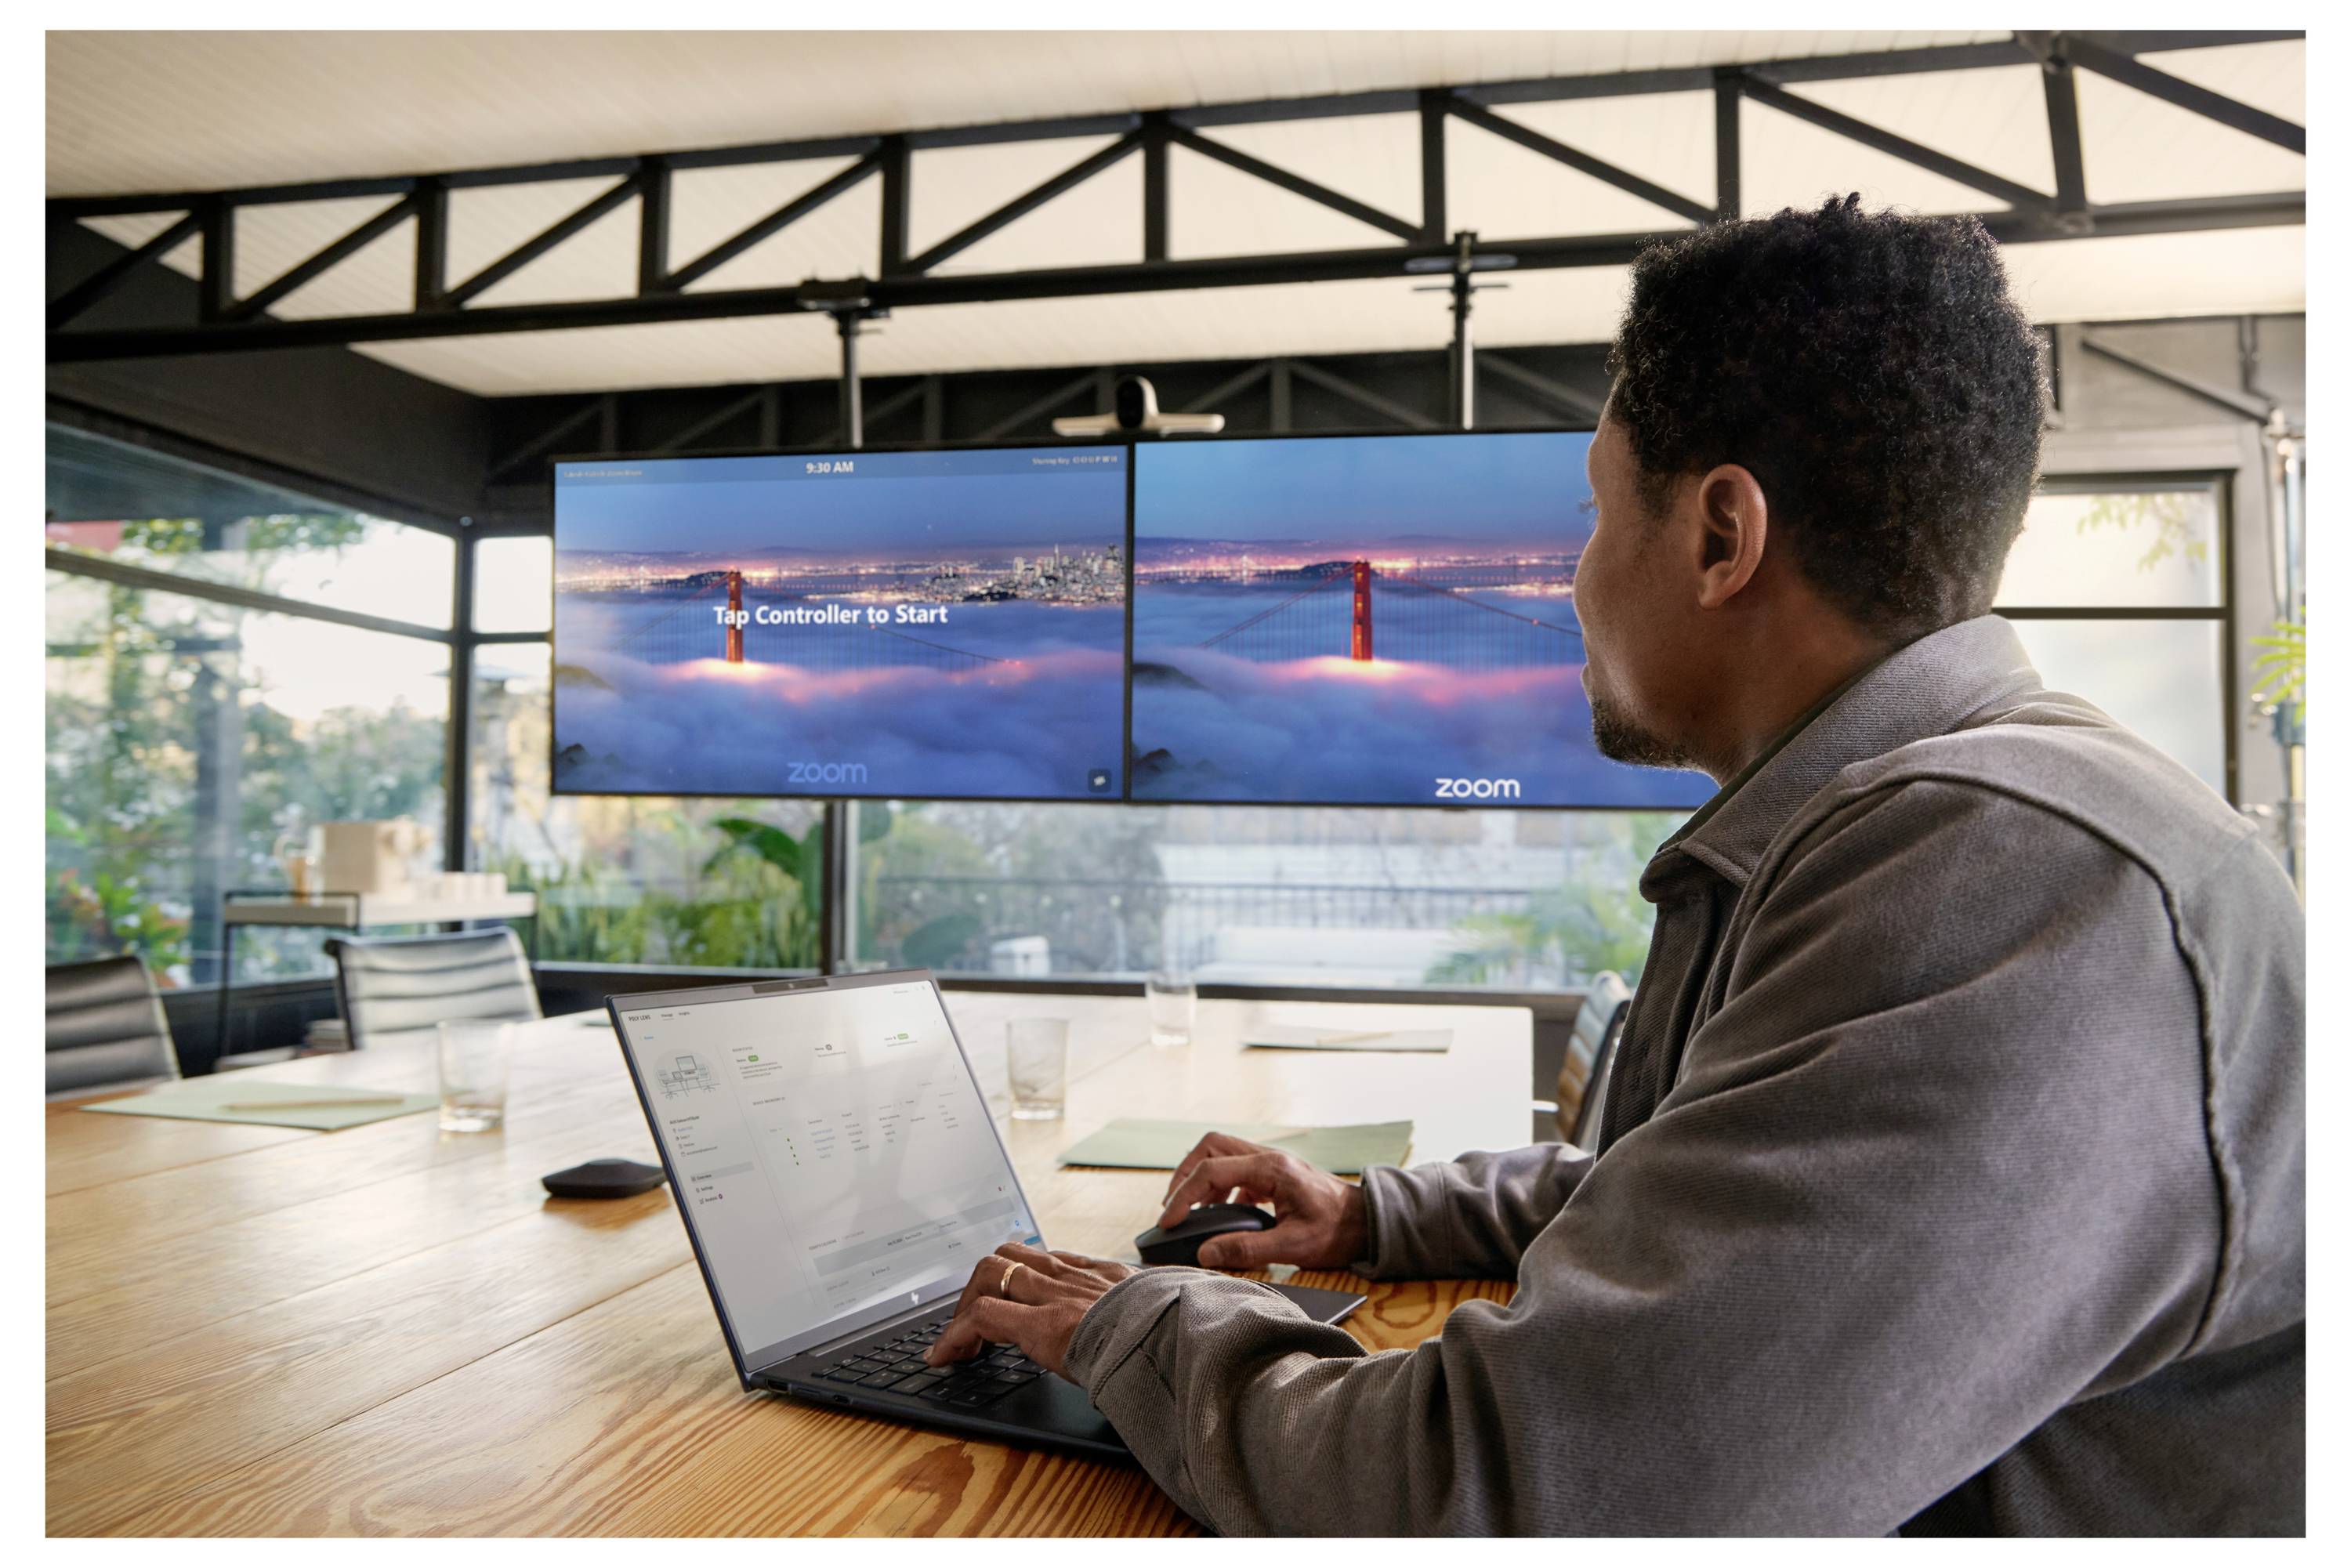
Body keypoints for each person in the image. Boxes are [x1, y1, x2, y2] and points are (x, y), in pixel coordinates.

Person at [923, 195, 2307, 1535]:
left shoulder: (2011, 882)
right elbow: (1719, 1199)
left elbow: (1515, 1493)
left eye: (1592, 515)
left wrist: (1138, 1327)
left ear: (1720, 537)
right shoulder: (1936, 825)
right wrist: (1372, 1213)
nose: (1575, 581)